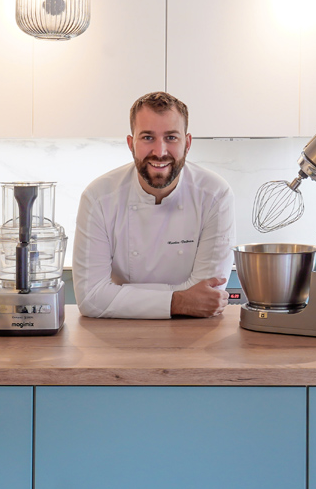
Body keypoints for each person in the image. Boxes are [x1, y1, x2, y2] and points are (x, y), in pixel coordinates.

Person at [72, 92, 236, 319]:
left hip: (193, 335)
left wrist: (119, 296)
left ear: (187, 143)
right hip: (119, 337)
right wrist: (180, 301)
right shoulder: (98, 197)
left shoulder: (215, 194)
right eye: (148, 138)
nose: (160, 152)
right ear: (131, 144)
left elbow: (207, 296)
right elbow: (90, 298)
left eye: (171, 138)